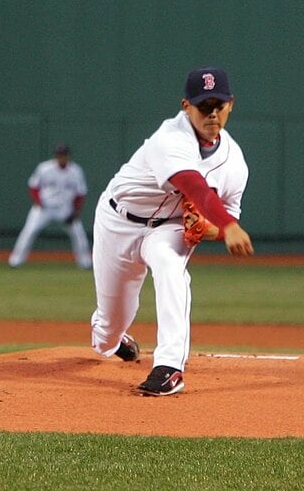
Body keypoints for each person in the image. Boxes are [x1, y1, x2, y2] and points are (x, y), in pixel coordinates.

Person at [89, 67, 254, 397]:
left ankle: (169, 367)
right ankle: (112, 335)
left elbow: (224, 224)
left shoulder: (234, 164)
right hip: (119, 220)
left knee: (170, 268)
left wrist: (214, 230)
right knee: (108, 331)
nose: (212, 114)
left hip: (168, 230)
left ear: (231, 105)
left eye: (218, 105)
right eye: (203, 106)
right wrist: (227, 225)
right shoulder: (169, 138)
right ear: (186, 106)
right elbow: (195, 187)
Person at [8, 143, 91, 270]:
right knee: (29, 231)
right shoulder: (44, 168)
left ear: (68, 156)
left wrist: (75, 212)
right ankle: (15, 261)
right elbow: (33, 186)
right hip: (44, 207)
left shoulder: (75, 171)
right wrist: (37, 201)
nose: (61, 157)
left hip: (65, 208)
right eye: (59, 154)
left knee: (78, 234)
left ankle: (85, 263)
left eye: (63, 154)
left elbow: (80, 193)